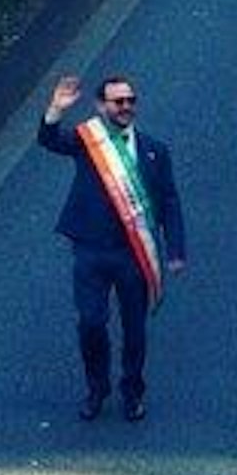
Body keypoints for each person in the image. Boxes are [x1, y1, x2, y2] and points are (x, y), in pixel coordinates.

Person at [41, 72, 187, 422]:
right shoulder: (87, 141)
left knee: (135, 328)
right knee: (91, 322)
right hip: (91, 250)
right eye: (118, 101)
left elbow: (169, 200)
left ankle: (133, 390)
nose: (125, 107)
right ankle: (96, 387)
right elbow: (49, 140)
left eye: (130, 101)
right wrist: (55, 110)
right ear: (101, 105)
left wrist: (176, 250)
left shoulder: (155, 150)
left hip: (133, 253)